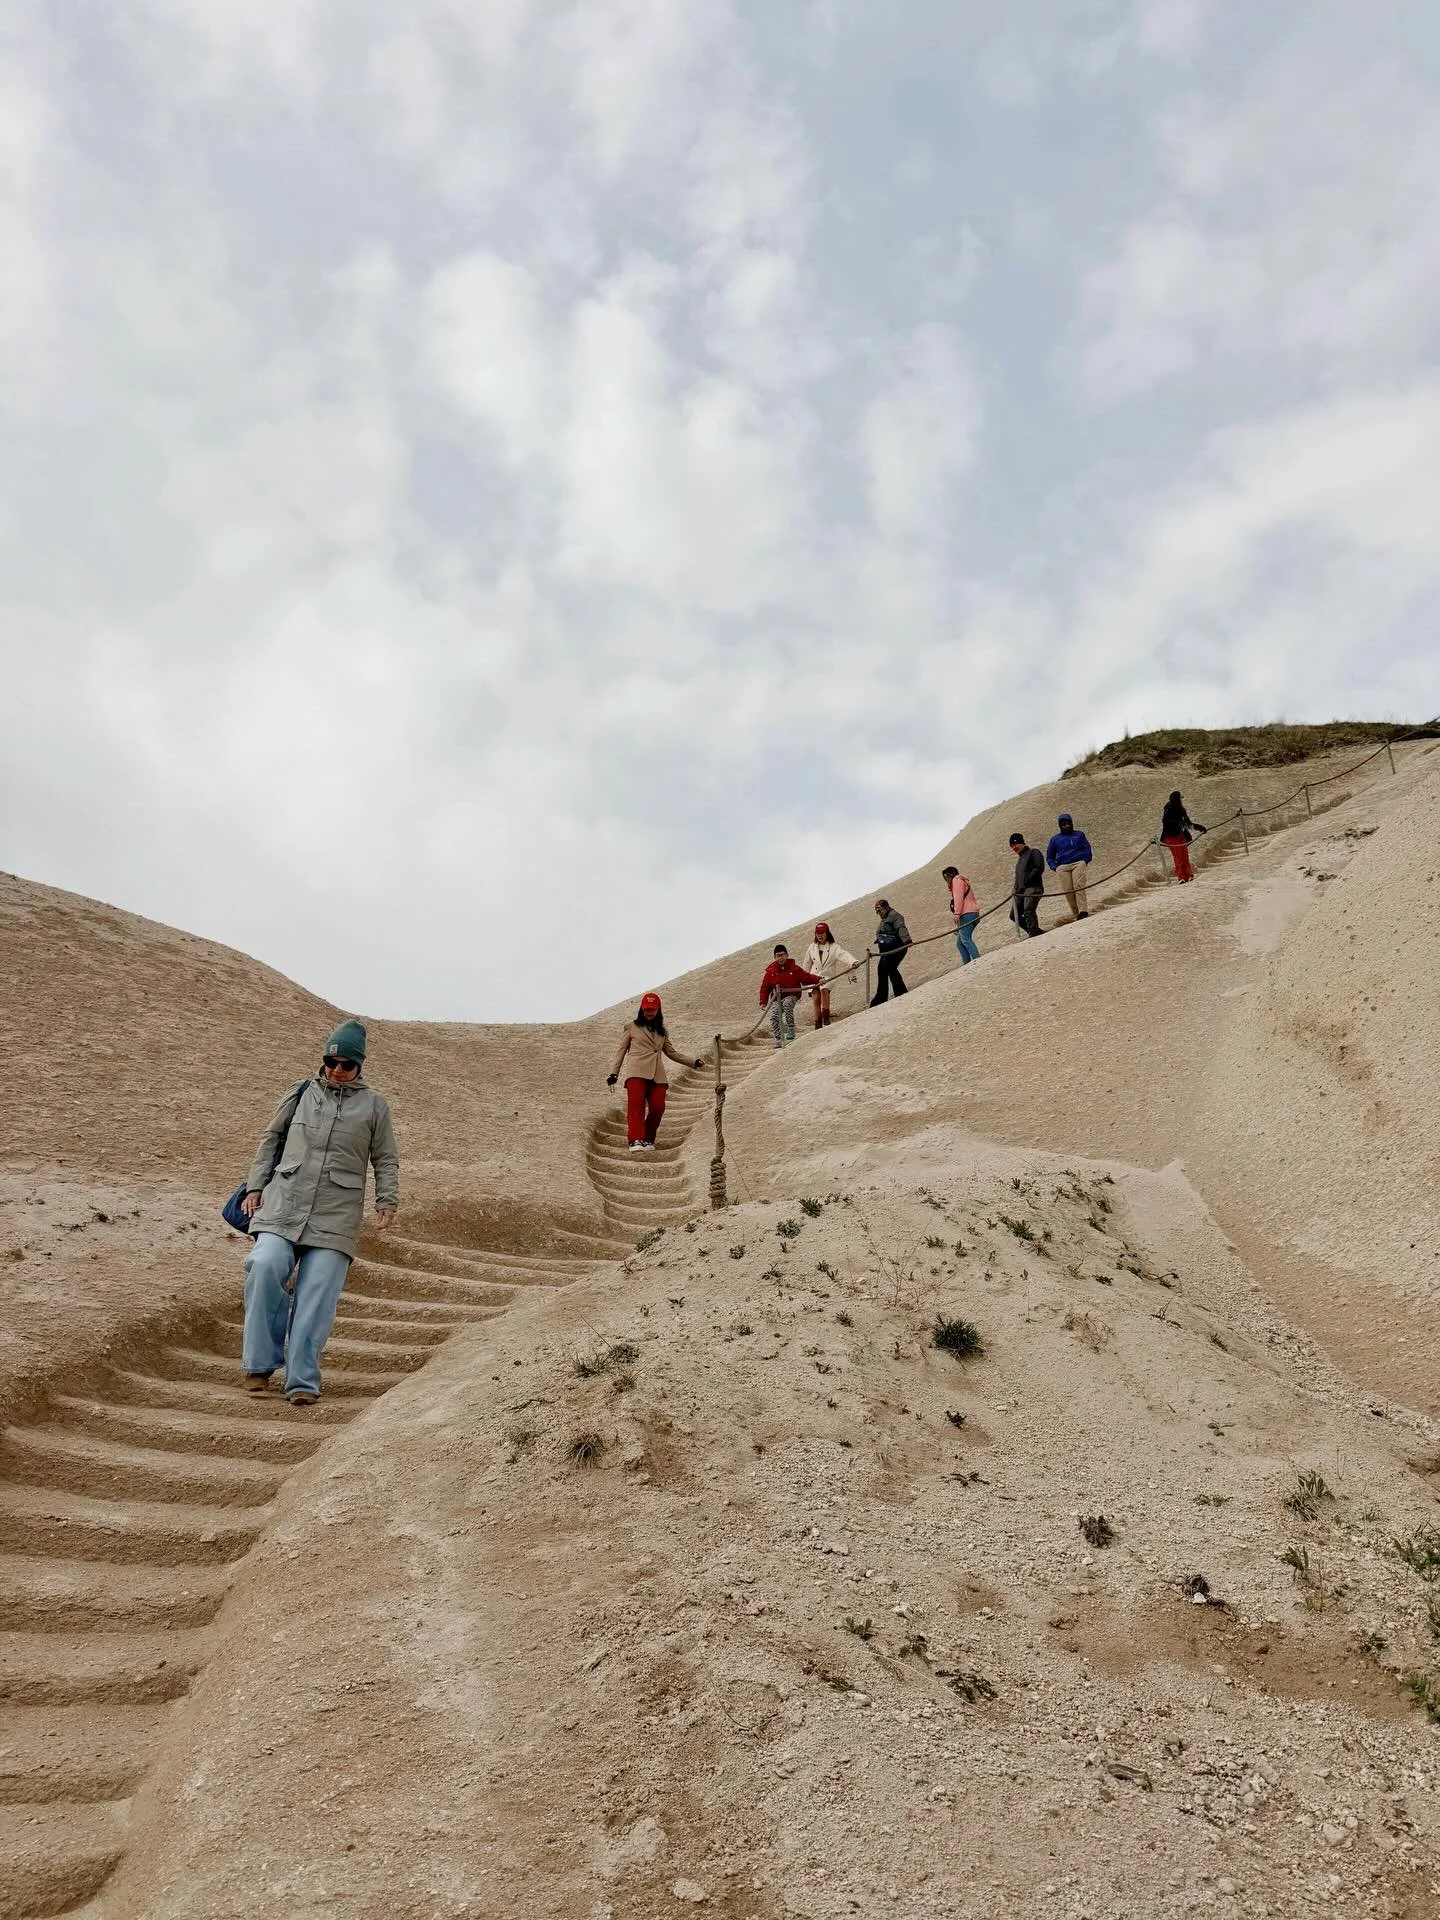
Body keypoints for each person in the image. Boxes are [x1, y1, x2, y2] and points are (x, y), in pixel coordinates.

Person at [239, 1020, 399, 1407]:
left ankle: (302, 1379)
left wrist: (387, 1200)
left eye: (346, 1063)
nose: (337, 1069)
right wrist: (256, 1185)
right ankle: (259, 1365)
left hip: (337, 1211)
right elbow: (271, 1138)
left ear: (359, 1064)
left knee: (317, 1291)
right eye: (331, 1061)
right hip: (285, 1200)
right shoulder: (301, 1093)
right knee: (264, 1264)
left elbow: (385, 1158)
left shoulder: (374, 1105)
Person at [607, 993, 704, 1150]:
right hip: (636, 1072)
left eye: (651, 1009)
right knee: (636, 1106)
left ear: (658, 1010)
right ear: (641, 1010)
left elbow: (672, 1053)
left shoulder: (662, 1032)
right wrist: (614, 1073)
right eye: (646, 1009)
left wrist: (693, 1062)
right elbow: (621, 1051)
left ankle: (648, 1139)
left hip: (657, 1075)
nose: (648, 1012)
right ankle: (635, 1140)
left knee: (658, 1107)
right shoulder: (631, 1027)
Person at [757, 944, 822, 1048]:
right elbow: (765, 987)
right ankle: (779, 1039)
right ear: (774, 957)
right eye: (778, 956)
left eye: (782, 955)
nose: (780, 958)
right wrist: (763, 1002)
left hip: (792, 995)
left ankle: (791, 1028)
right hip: (776, 998)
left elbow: (806, 977)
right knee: (774, 1016)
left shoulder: (794, 968)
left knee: (787, 1004)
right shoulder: (770, 971)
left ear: (787, 955)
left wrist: (818, 979)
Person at [802, 922, 858, 1028]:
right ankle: (818, 1022)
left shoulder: (834, 947)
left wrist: (853, 962)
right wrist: (804, 980)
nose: (820, 935)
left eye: (822, 933)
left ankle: (826, 1018)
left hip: (828, 976)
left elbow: (843, 955)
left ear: (827, 933)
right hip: (814, 976)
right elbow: (807, 964)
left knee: (824, 990)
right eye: (818, 933)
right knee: (815, 996)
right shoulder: (812, 947)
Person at [1045, 813, 1094, 921]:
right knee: (1068, 890)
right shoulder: (1055, 839)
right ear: (1060, 825)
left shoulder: (1079, 834)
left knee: (1078, 885)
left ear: (1071, 823)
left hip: (1078, 863)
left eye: (1068, 823)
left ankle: (1083, 911)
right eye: (1063, 824)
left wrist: (1085, 860)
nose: (1066, 825)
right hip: (1062, 867)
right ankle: (1076, 913)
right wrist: (1055, 867)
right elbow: (1049, 856)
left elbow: (1087, 848)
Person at [870, 899, 912, 1003]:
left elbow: (901, 928)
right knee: (881, 969)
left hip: (897, 947)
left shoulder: (895, 916)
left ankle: (900, 992)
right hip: (886, 949)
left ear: (886, 908)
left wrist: (907, 940)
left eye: (880, 910)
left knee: (890, 967)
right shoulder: (884, 918)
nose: (878, 913)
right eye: (877, 911)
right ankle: (881, 997)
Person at [1160, 791, 1207, 882]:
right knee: (1179, 858)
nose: (1181, 800)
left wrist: (1200, 828)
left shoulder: (1181, 809)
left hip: (1179, 836)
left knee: (1184, 856)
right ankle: (1181, 877)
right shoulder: (1168, 809)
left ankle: (1188, 876)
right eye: (1180, 798)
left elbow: (1188, 823)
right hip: (1171, 838)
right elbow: (1166, 825)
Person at [941, 866, 981, 964]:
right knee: (960, 943)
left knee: (965, 939)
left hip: (966, 913)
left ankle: (978, 961)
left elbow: (959, 898)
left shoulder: (957, 880)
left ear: (950, 875)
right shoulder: (961, 881)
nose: (946, 880)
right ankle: (967, 964)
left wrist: (957, 913)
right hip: (972, 913)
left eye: (946, 877)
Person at [1009, 832, 1045, 938]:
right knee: (1013, 915)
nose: (1014, 847)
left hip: (1033, 886)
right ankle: (1032, 930)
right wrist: (1015, 891)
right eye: (1012, 846)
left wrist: (1028, 880)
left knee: (1028, 909)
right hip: (1020, 892)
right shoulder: (1019, 860)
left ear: (1021, 842)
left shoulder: (1034, 852)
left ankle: (1034, 932)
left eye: (1015, 844)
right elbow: (1018, 878)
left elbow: (1039, 867)